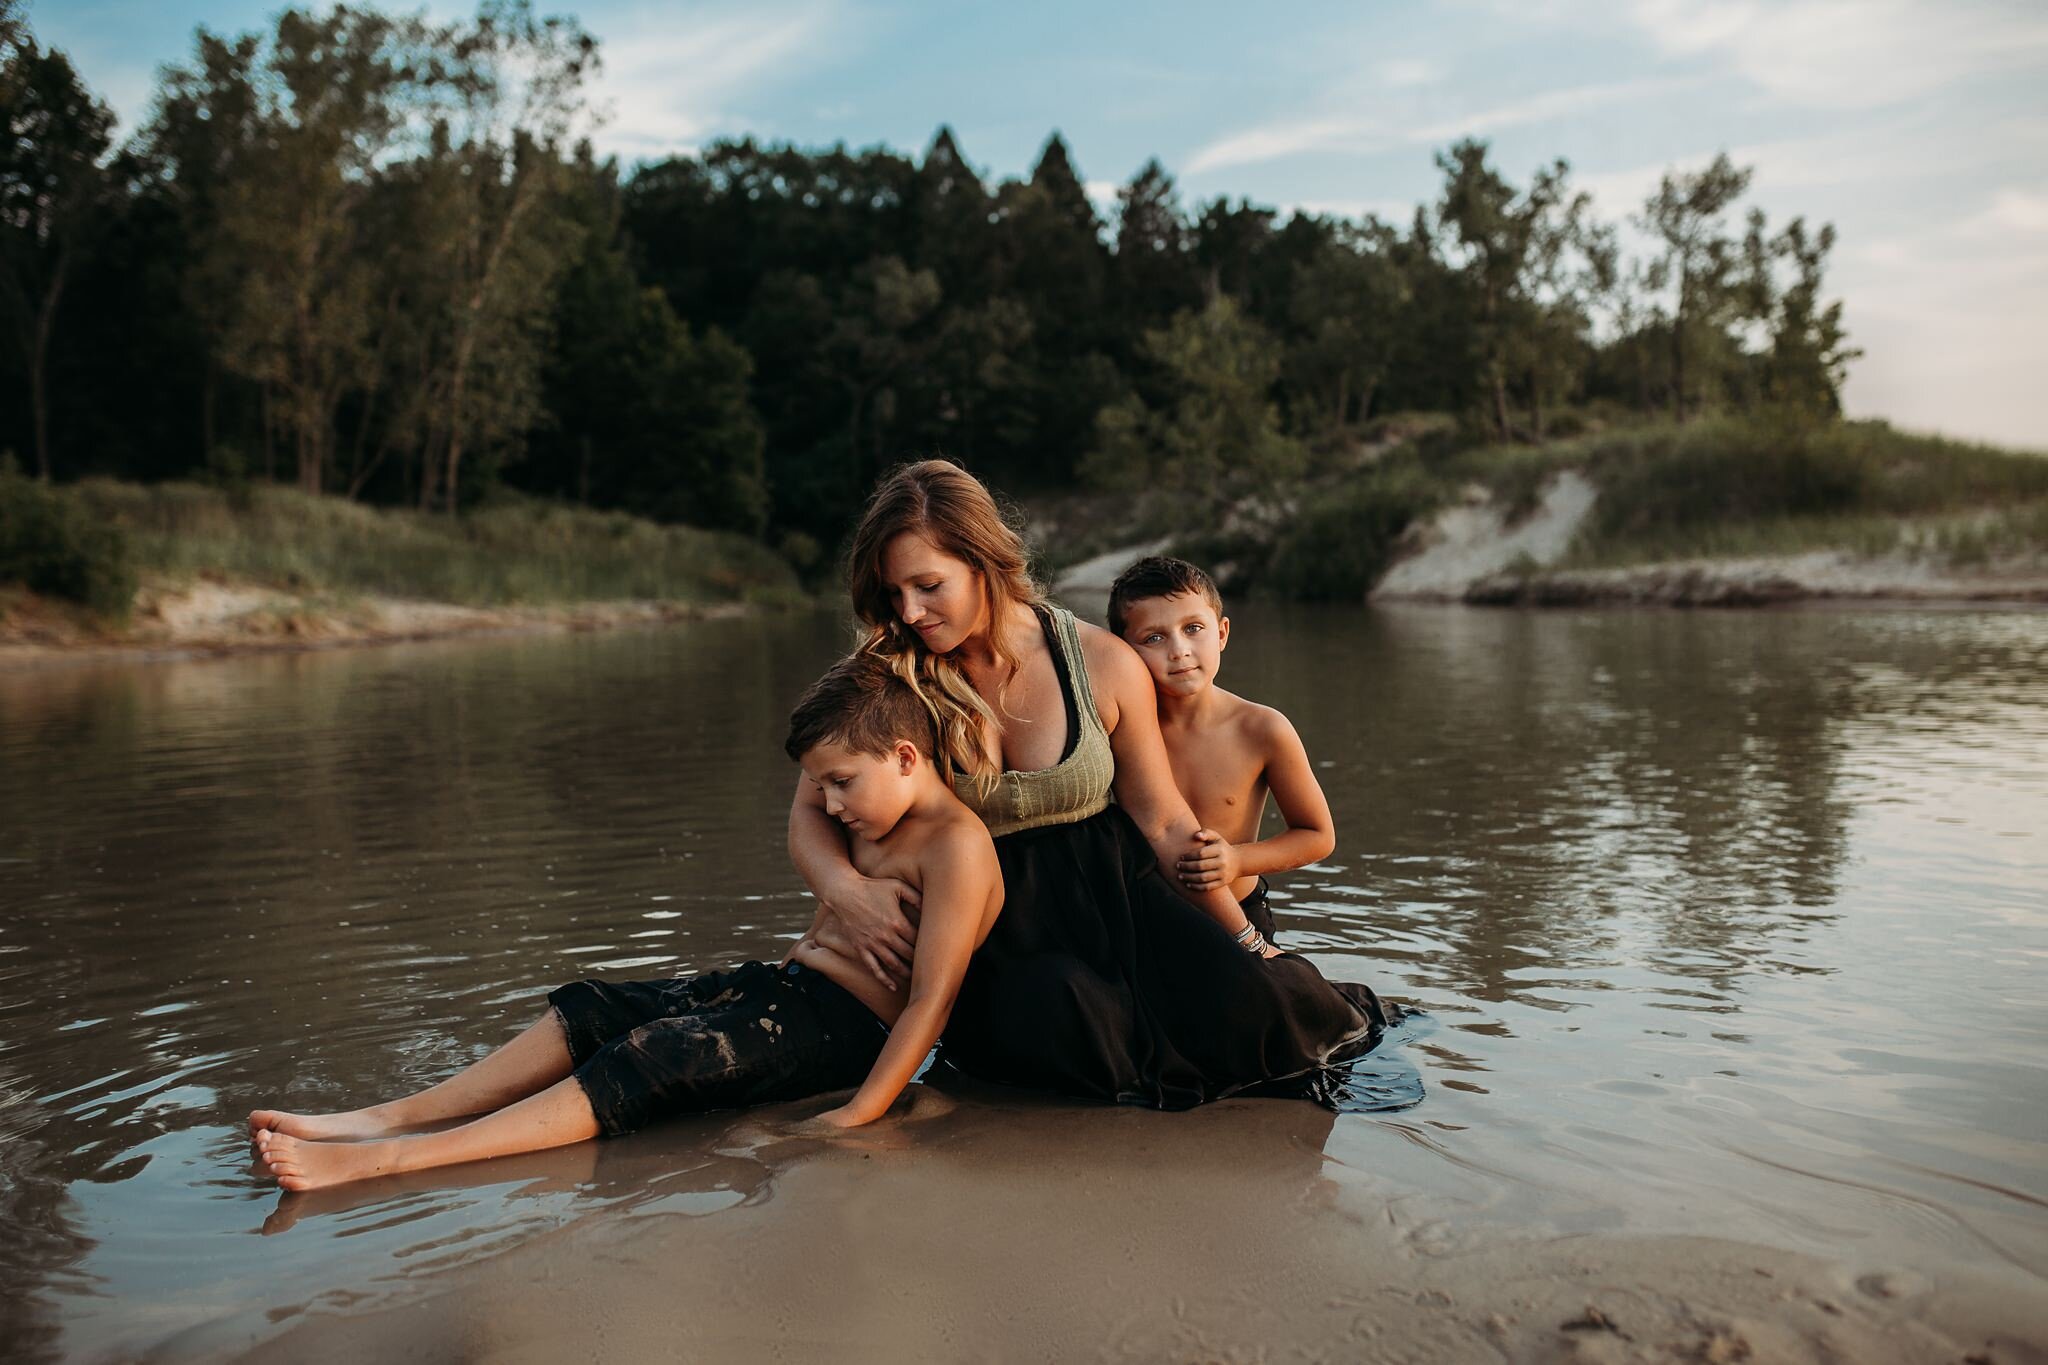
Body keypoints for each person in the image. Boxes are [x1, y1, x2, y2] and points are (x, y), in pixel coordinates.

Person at [250, 652, 1003, 1192]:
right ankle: (382, 1120)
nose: (830, 805)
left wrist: (855, 1117)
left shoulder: (955, 847)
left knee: (651, 1054)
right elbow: (818, 826)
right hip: (783, 987)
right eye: (823, 785)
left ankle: (394, 1160)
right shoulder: (876, 802)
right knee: (597, 1005)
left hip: (840, 1032)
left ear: (907, 756)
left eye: (842, 784)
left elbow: (930, 1002)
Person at [789, 459, 1394, 1111]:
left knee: (1268, 1004)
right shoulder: (891, 673)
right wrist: (847, 892)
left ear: (984, 560)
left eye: (928, 585)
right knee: (1065, 1016)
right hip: (999, 925)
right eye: (894, 593)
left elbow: (1162, 820)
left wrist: (1246, 938)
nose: (909, 611)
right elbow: (811, 811)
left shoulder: (1102, 660)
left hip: (1118, 901)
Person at [1107, 555, 1336, 947]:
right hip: (1144, 914)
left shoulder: (1262, 729)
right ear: (1124, 651)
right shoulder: (1115, 730)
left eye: (1193, 628)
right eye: (1154, 638)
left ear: (1222, 634)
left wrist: (1236, 861)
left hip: (1239, 911)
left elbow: (1317, 835)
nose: (1179, 650)